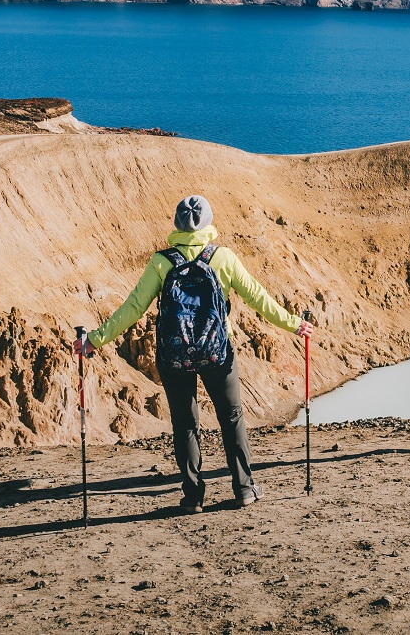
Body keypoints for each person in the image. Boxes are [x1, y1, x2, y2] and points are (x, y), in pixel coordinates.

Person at [76, 195, 313, 512]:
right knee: (231, 418)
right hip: (218, 353)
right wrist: (295, 324)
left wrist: (95, 339)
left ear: (176, 224)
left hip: (173, 356)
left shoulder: (162, 262)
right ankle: (243, 488)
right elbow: (258, 298)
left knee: (185, 424)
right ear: (208, 223)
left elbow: (133, 307)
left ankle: (193, 497)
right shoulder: (223, 258)